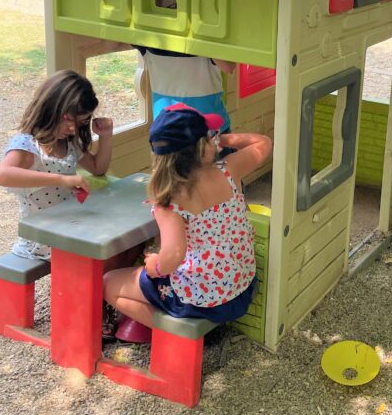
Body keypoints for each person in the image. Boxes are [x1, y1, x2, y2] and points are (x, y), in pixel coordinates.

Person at [103, 103, 271, 327]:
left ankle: (171, 332)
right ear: (202, 147)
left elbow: (174, 254)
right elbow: (263, 143)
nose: (215, 139)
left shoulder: (169, 199)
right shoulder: (229, 169)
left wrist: (155, 266)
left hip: (201, 299)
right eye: (211, 135)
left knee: (109, 282)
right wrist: (225, 139)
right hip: (241, 289)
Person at [0, 70, 113, 260]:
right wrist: (62, 180)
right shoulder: (28, 144)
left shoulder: (68, 143)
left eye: (81, 122)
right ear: (50, 109)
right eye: (69, 120)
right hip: (42, 240)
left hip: (68, 228)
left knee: (117, 243)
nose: (73, 129)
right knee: (103, 254)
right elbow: (3, 175)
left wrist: (106, 136)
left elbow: (98, 168)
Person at [136, 0, 236, 125]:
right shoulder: (150, 38)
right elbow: (110, 43)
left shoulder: (204, 32)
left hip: (209, 127)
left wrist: (202, 37)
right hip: (168, 128)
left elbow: (229, 67)